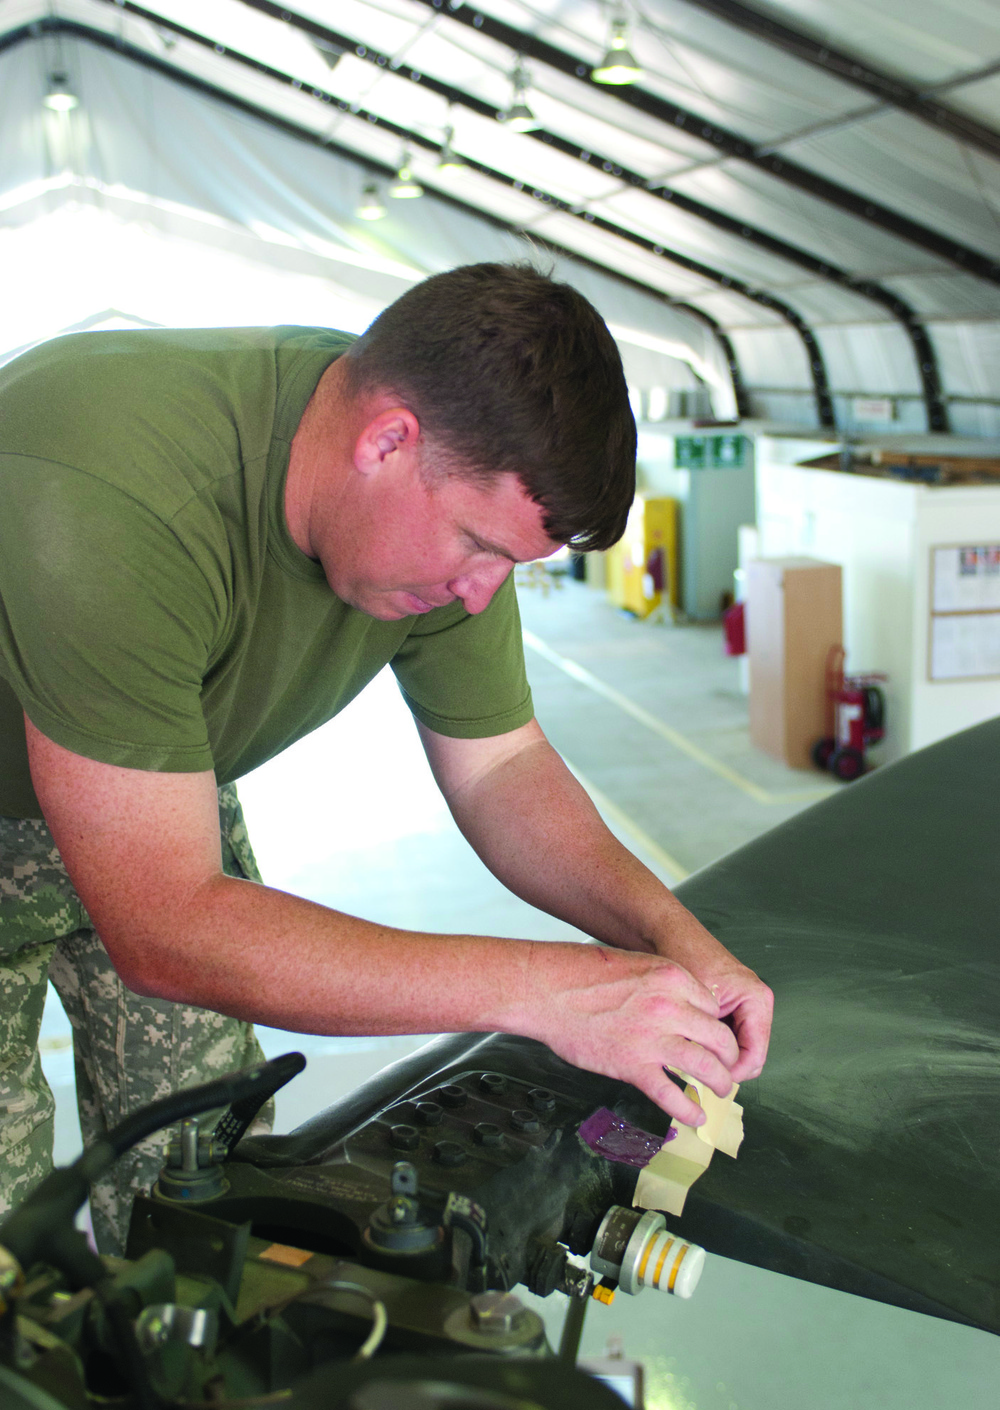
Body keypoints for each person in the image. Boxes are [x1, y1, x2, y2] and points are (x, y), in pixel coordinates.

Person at [0, 262, 772, 1253]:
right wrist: (546, 991)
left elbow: (502, 771)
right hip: (75, 805)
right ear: (388, 440)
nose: (483, 593)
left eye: (513, 565)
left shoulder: (439, 521)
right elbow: (165, 926)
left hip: (151, 785)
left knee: (203, 1188)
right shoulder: (109, 484)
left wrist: (672, 940)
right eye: (477, 546)